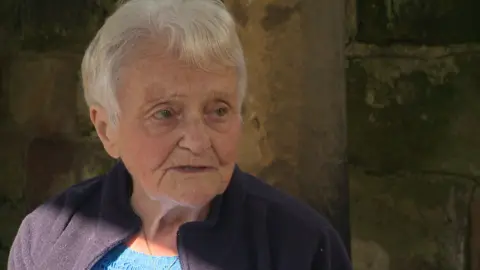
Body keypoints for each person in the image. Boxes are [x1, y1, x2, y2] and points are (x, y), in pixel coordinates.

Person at [8, 0, 352, 269]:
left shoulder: (300, 246)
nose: (198, 141)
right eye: (165, 113)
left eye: (218, 110)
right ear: (106, 129)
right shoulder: (48, 237)